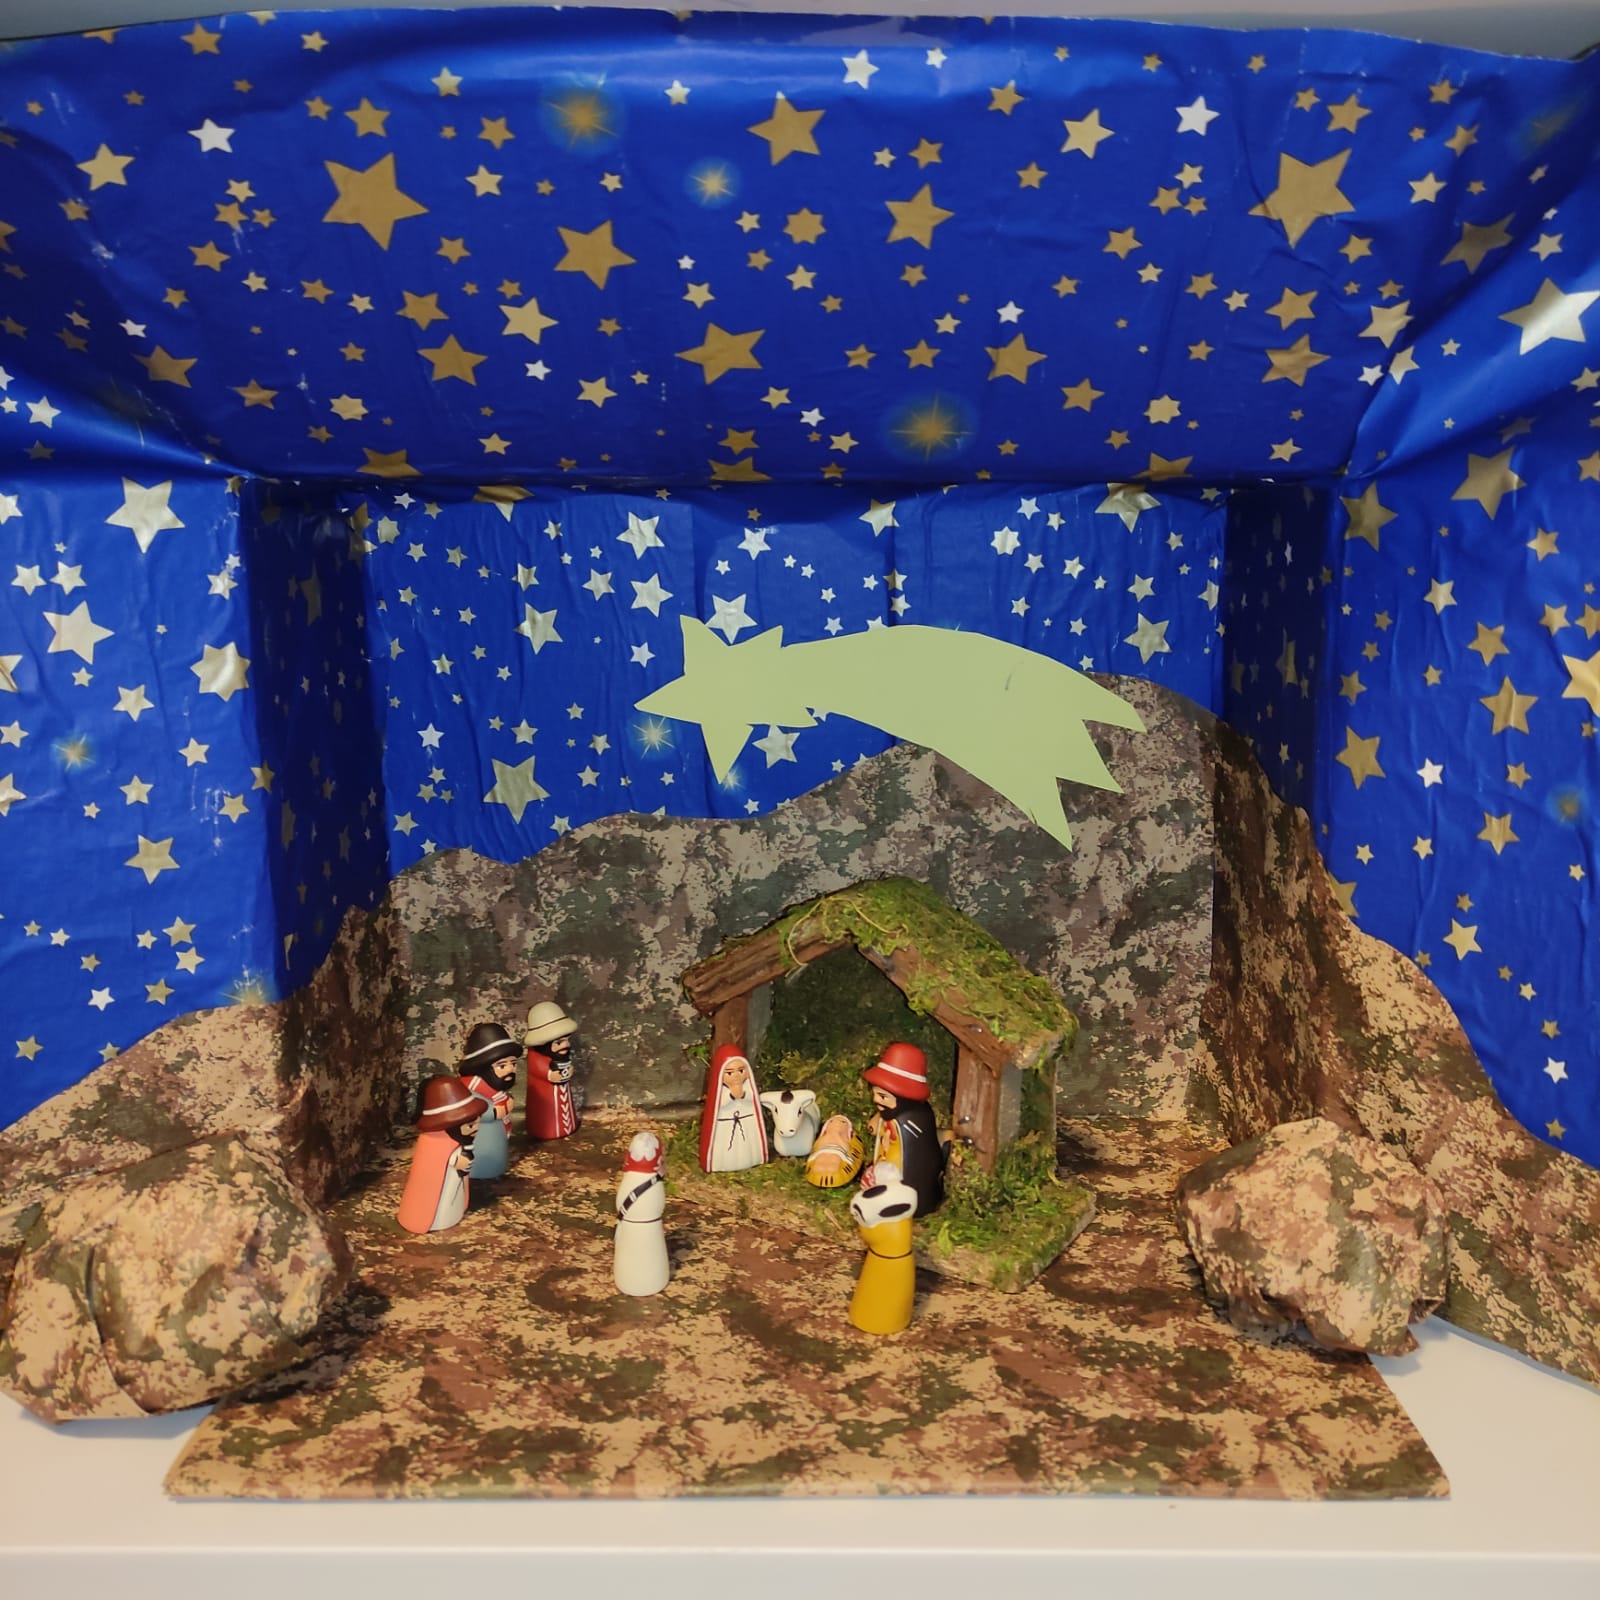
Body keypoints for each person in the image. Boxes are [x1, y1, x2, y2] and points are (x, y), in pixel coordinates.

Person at [861, 1040, 945, 1215]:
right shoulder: (892, 1115)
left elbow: (911, 1163)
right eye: (874, 1094)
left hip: (907, 1191)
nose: (875, 1100)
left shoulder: (912, 1122)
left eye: (883, 1096)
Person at [397, 1076, 484, 1234]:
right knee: (442, 1204)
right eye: (471, 1125)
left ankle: (453, 1213)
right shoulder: (432, 1142)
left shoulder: (459, 1140)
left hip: (454, 1185)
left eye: (478, 1122)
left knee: (453, 1200)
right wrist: (455, 1160)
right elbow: (433, 1165)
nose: (476, 1129)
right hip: (438, 1195)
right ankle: (434, 1220)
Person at [457, 1021, 519, 1179]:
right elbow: (472, 1110)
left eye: (513, 1063)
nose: (510, 1069)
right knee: (485, 1154)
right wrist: (493, 1112)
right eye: (502, 1066)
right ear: (482, 1068)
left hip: (497, 1136)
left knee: (496, 1152)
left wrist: (506, 1103)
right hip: (481, 1139)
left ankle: (496, 1166)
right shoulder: (469, 1089)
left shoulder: (497, 1091)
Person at [697, 1043, 769, 1172]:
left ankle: (751, 1159)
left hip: (747, 1122)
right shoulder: (720, 1092)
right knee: (727, 1146)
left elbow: (752, 1100)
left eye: (741, 1071)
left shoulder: (748, 1088)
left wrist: (743, 1094)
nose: (736, 1076)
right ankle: (723, 1164)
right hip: (725, 1126)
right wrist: (731, 1095)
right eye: (730, 1072)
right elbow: (717, 1104)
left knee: (746, 1144)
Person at [613, 1131, 670, 1296]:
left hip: (634, 1229)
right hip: (648, 1231)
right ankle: (649, 1280)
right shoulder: (653, 1183)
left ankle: (632, 1280)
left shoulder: (631, 1180)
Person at [523, 1000, 579, 1140]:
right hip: (545, 1095)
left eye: (567, 1040)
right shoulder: (535, 1055)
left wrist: (569, 1069)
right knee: (547, 1113)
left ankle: (568, 1125)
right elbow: (536, 1068)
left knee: (566, 1107)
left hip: (563, 1089)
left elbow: (565, 1062)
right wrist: (549, 1074)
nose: (566, 1045)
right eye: (559, 1042)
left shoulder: (561, 1055)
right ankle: (548, 1130)